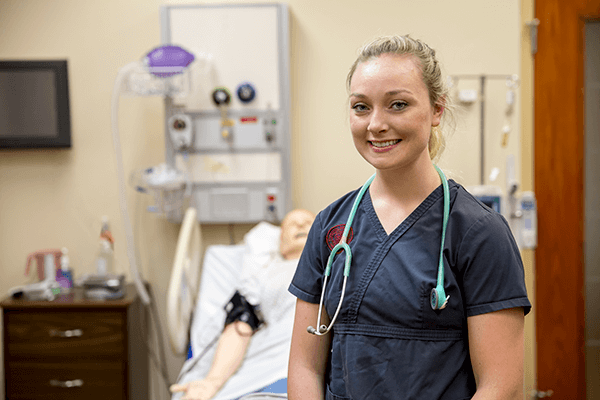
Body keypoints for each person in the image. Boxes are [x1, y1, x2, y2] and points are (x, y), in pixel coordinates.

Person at [287, 35, 531, 400]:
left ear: (436, 110)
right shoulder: (330, 227)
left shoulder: (478, 233)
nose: (376, 124)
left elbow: (501, 386)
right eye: (361, 107)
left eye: (397, 104)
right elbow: (305, 367)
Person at [171, 209, 316, 400]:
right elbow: (240, 326)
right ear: (281, 242)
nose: (300, 226)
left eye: (308, 222)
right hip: (277, 357)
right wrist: (211, 382)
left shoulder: (339, 267)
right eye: (292, 224)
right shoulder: (262, 275)